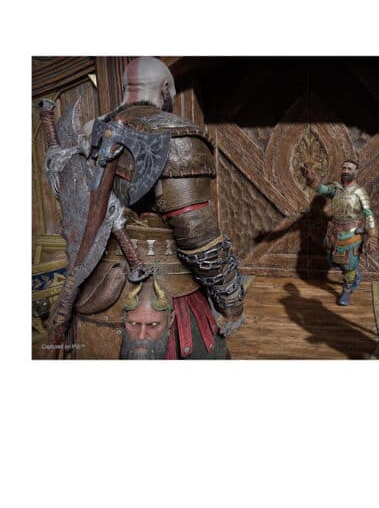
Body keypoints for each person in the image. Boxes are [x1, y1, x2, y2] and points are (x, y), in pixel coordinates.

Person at [46, 57, 244, 359]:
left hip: (91, 290)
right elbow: (196, 234)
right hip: (163, 296)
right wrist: (231, 300)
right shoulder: (175, 135)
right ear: (165, 89)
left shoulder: (88, 132)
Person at [301, 160, 378, 305]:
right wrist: (311, 178)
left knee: (349, 264)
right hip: (334, 232)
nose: (346, 171)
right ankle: (355, 275)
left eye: (350, 169)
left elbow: (368, 213)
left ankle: (346, 290)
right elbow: (321, 189)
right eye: (344, 168)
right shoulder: (336, 189)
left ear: (356, 172)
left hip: (352, 233)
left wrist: (371, 235)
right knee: (333, 260)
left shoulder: (360, 192)